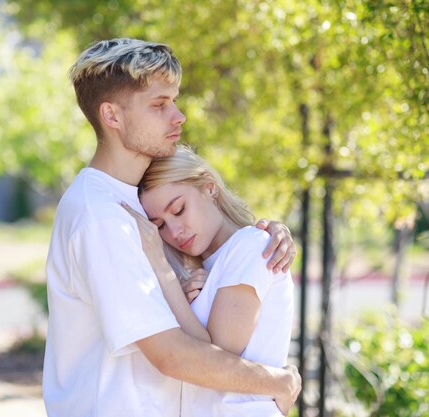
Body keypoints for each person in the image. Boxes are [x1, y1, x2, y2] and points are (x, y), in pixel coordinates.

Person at [43, 38, 300, 417]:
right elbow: (172, 355)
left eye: (174, 101)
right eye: (160, 105)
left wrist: (263, 233)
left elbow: (222, 251)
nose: (178, 116)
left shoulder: (133, 204)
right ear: (112, 116)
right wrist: (277, 381)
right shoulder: (102, 217)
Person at [123, 145, 295, 417]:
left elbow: (215, 359)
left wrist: (160, 268)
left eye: (179, 210)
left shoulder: (252, 246)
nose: (175, 231)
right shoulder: (201, 273)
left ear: (209, 187)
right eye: (159, 226)